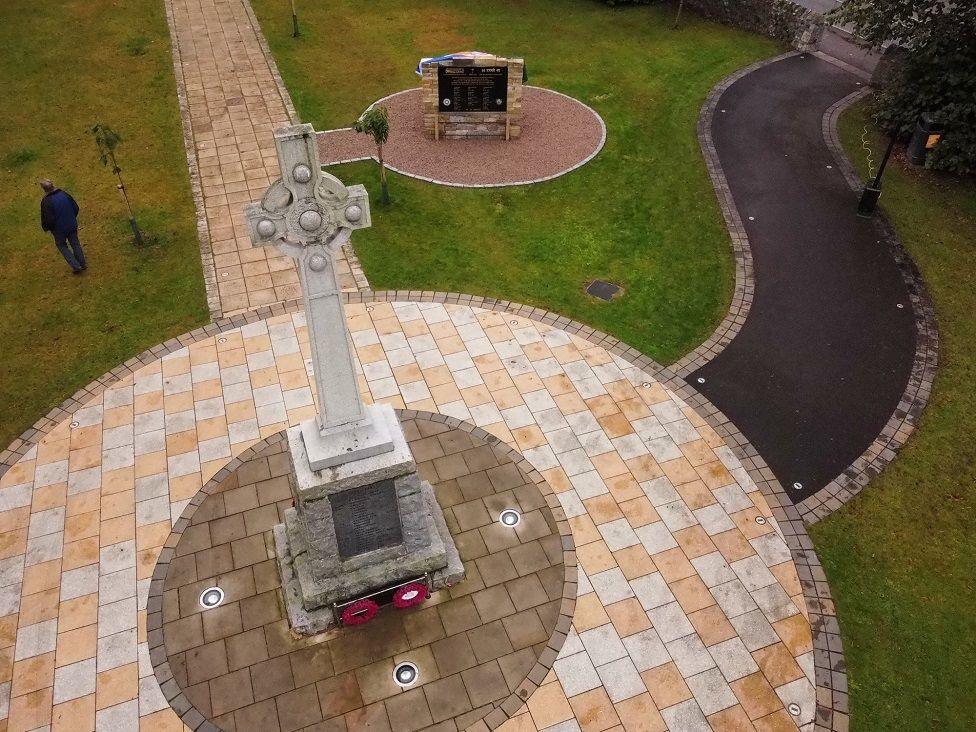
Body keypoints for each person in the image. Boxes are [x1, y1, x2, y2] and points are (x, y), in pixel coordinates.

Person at [40, 179, 87, 274]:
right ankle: (82, 263)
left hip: (59, 230)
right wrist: (71, 218)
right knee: (75, 243)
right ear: (53, 185)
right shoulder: (64, 194)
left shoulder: (46, 202)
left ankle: (75, 265)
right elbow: (75, 207)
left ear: (44, 189)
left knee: (61, 245)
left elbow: (48, 219)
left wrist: (47, 228)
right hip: (71, 224)